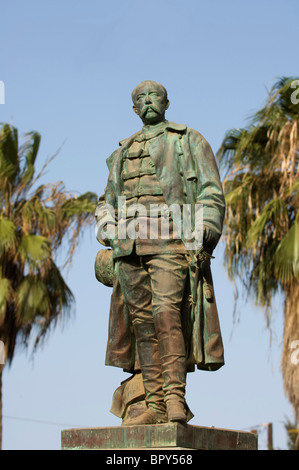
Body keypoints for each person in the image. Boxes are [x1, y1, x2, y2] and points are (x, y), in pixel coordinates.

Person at [95, 80, 225, 426]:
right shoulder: (122, 151)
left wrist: (206, 228)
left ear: (167, 103)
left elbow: (211, 193)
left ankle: (175, 399)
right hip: (129, 245)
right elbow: (106, 201)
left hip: (171, 238)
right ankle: (154, 404)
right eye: (141, 98)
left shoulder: (187, 140)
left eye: (154, 95)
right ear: (134, 109)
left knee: (168, 314)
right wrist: (107, 226)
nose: (148, 100)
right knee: (143, 324)